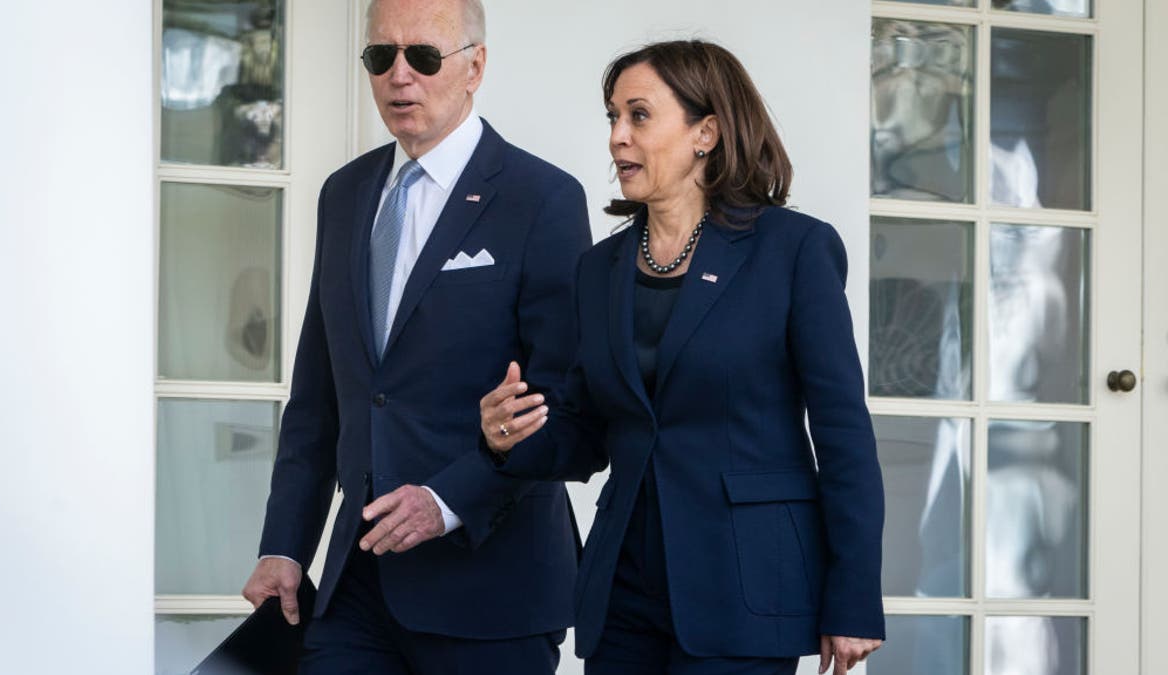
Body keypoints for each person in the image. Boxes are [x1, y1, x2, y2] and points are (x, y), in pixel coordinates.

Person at [480, 40, 886, 675]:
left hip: (745, 591)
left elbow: (843, 434)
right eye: (613, 117)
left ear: (707, 132)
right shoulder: (599, 270)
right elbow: (588, 432)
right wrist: (512, 438)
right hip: (623, 593)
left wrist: (854, 595)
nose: (617, 137)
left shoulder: (794, 250)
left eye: (639, 116)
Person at [241, 0, 591, 672]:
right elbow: (321, 395)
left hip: (492, 592)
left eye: (424, 57)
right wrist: (284, 545)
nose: (400, 76)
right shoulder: (343, 195)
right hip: (358, 588)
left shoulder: (541, 199)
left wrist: (447, 499)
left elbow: (561, 402)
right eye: (381, 56)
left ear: (474, 68)